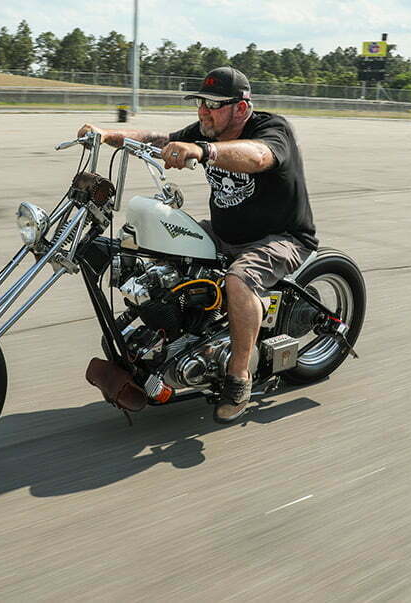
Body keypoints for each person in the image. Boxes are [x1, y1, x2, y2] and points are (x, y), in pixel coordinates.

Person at [78, 66, 318, 423]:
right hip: (224, 232)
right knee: (152, 243)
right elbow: (160, 141)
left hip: (278, 237)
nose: (203, 111)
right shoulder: (207, 129)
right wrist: (108, 134)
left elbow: (258, 156)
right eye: (200, 103)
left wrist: (203, 150)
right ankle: (170, 334)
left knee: (239, 280)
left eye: (213, 104)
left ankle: (239, 376)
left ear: (240, 107)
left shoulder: (272, 129)